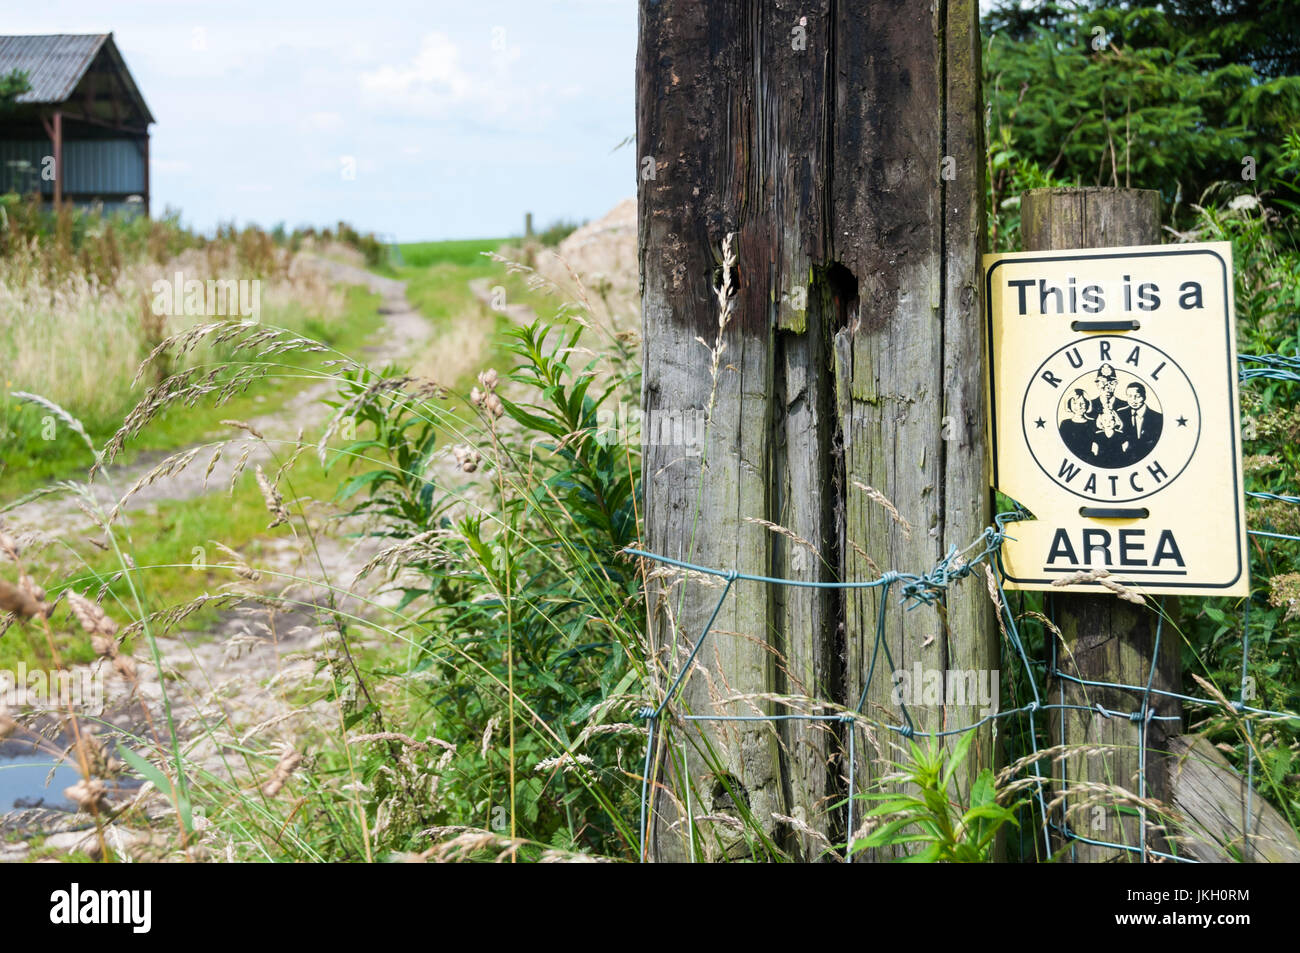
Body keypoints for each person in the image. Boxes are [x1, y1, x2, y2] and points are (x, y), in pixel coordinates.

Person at [1120, 381, 1162, 463]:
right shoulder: (1120, 415)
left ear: (1144, 397)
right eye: (1130, 396)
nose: (1133, 400)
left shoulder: (1158, 418)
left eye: (1137, 396)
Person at [1058, 388, 1095, 459]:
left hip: (1089, 458)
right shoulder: (1065, 424)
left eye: (1082, 403)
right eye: (1075, 403)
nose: (1079, 406)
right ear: (1069, 404)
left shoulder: (1092, 423)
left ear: (1087, 404)